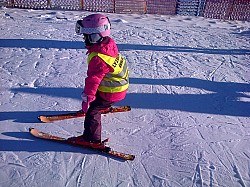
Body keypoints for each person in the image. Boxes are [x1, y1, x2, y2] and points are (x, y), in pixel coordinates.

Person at [68, 14, 129, 150]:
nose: (84, 39)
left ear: (94, 36)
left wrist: (88, 98)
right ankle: (104, 105)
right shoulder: (108, 45)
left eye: (85, 36)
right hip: (119, 88)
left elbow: (93, 80)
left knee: (92, 111)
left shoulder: (98, 57)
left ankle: (91, 139)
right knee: (98, 102)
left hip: (112, 93)